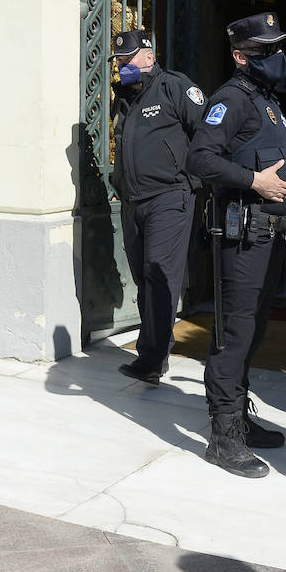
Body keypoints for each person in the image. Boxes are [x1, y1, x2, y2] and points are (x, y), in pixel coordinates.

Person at [185, 12, 286, 478]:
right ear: (240, 56)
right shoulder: (231, 99)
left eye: (277, 48)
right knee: (234, 334)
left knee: (253, 329)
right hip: (243, 233)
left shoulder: (266, 99)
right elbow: (200, 157)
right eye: (265, 51)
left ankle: (240, 420)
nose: (276, 56)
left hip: (269, 235)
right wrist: (253, 181)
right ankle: (223, 435)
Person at [109, 28, 207, 383]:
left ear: (148, 56)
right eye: (119, 60)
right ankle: (149, 352)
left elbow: (207, 134)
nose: (122, 65)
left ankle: (153, 359)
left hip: (170, 197)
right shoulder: (126, 96)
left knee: (159, 273)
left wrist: (192, 178)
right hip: (133, 201)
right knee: (142, 277)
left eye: (128, 58)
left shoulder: (175, 87)